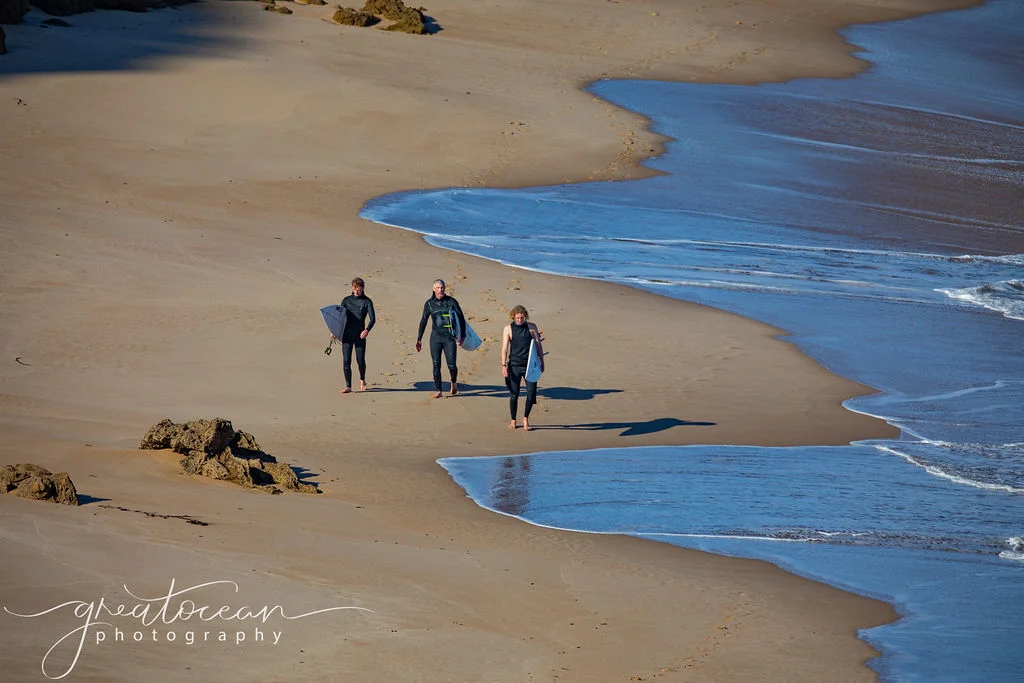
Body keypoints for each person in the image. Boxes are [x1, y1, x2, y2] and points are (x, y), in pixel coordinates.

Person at [415, 279, 466, 398]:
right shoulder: (429, 304)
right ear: (434, 289)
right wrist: (419, 338)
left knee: (452, 365)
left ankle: (453, 382)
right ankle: (439, 390)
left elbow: (461, 319)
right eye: (438, 288)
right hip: (435, 338)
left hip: (450, 338)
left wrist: (462, 336)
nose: (441, 290)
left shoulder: (451, 301)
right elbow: (423, 320)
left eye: (442, 287)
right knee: (436, 364)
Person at [500, 305, 544, 430]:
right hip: (514, 366)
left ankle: (525, 419)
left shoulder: (531, 327)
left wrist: (542, 361)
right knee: (514, 394)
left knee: (531, 394)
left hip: (530, 365)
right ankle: (513, 420)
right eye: (517, 318)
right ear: (513, 316)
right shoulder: (508, 329)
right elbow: (504, 349)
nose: (520, 320)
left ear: (525, 316)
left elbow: (538, 346)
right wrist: (503, 365)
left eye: (522, 318)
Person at [337, 277, 375, 393]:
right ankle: (348, 386)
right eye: (355, 289)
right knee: (346, 360)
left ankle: (362, 379)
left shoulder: (367, 301)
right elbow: (339, 317)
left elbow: (373, 318)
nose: (356, 292)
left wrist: (367, 330)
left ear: (362, 289)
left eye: (359, 289)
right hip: (347, 335)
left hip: (360, 335)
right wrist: (335, 331)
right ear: (352, 288)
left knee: (360, 360)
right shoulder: (346, 300)